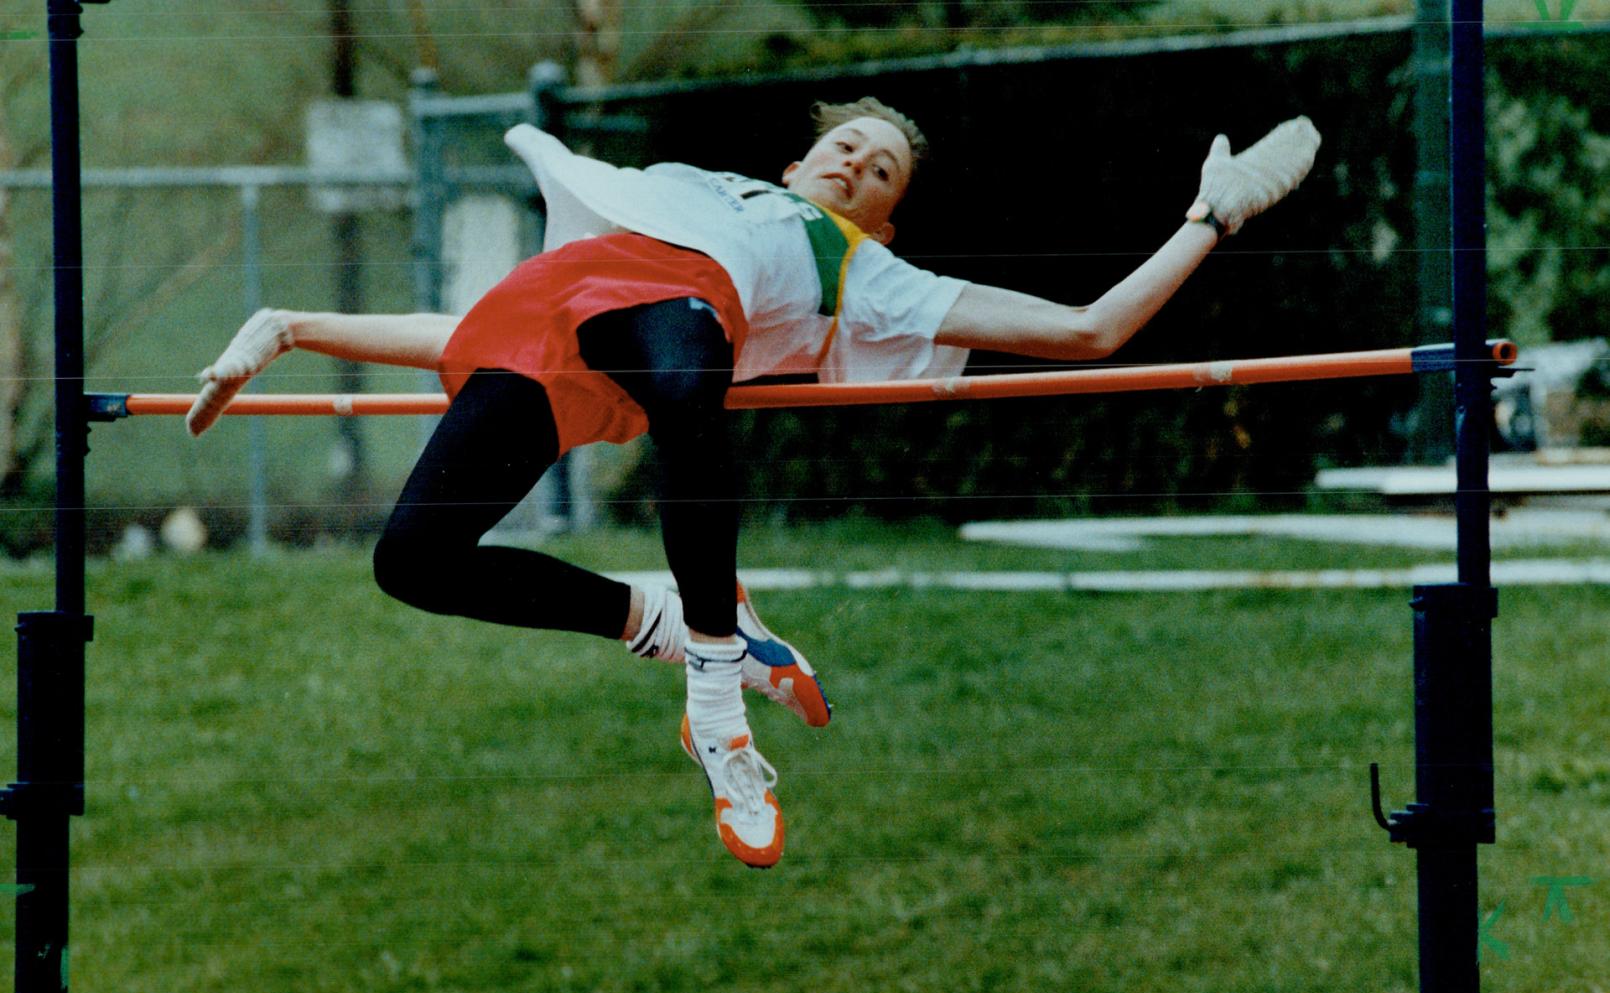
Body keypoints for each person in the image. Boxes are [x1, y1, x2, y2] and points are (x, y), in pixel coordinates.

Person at [189, 99, 1320, 869]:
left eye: (880, 172)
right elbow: (468, 327)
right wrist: (287, 327)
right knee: (411, 563)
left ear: (885, 216)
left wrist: (1206, 219)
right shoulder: (685, 187)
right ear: (795, 162)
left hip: (674, 336)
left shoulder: (864, 274)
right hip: (546, 321)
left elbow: (1087, 329)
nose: (854, 164)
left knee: (691, 383)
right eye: (844, 148)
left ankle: (719, 709)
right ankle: (661, 623)